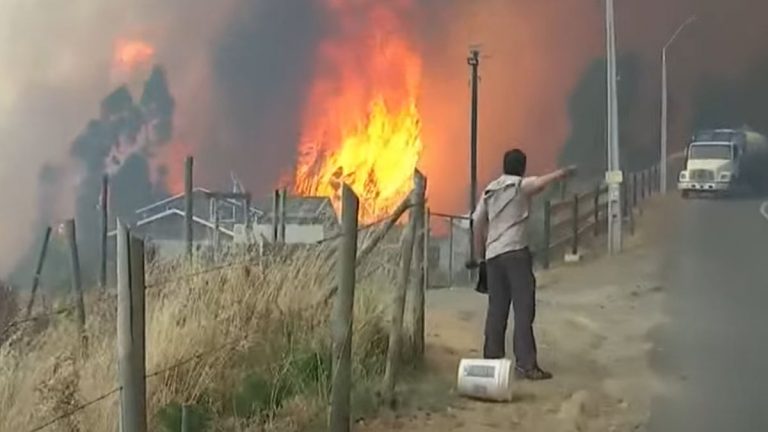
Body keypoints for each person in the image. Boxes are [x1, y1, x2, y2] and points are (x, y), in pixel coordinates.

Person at [470, 149, 576, 381]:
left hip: (493, 256)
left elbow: (476, 221)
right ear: (522, 167)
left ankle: (492, 362)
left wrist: (480, 256)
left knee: (496, 310)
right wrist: (563, 173)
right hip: (516, 253)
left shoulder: (490, 190)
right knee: (523, 308)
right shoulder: (519, 186)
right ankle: (526, 365)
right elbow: (540, 182)